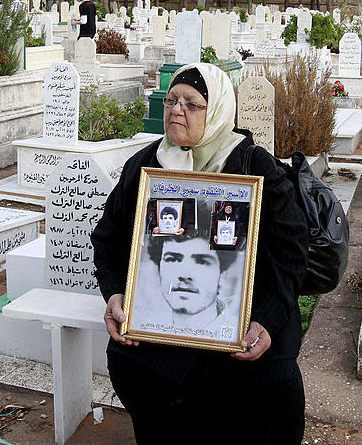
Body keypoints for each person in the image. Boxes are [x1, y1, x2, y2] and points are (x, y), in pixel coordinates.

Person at [91, 63, 309, 444]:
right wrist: (115, 294)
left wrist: (266, 323)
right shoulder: (146, 165)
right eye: (172, 101)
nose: (177, 110)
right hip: (159, 339)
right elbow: (107, 239)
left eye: (192, 104)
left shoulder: (255, 168)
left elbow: (290, 257)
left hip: (239, 340)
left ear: (219, 110)